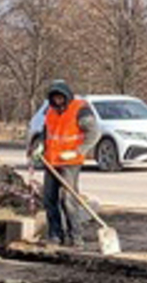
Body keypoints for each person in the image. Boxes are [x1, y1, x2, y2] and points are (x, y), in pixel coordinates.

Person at [30, 80, 99, 247]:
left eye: (61, 98)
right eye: (55, 98)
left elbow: (94, 134)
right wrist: (40, 146)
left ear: (67, 96)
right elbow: (47, 132)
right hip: (52, 160)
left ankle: (76, 237)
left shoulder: (80, 110)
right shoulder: (50, 111)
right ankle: (55, 235)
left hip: (71, 162)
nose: (58, 101)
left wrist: (78, 151)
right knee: (49, 199)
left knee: (68, 199)